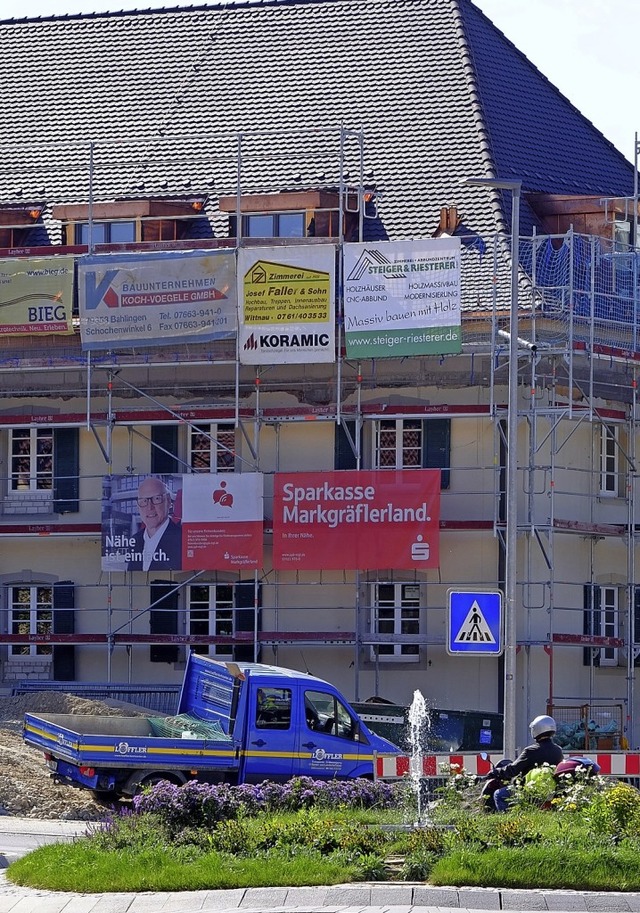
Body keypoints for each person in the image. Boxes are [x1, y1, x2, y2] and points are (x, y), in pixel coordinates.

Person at [490, 714, 564, 812]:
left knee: (499, 795)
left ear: (536, 729)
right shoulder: (558, 750)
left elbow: (513, 770)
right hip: (550, 791)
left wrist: (496, 772)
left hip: (529, 790)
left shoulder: (531, 750)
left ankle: (508, 822)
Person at [127, 476, 182, 571]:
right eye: (144, 501)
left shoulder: (183, 539)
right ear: (138, 506)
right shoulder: (135, 540)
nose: (150, 507)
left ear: (168, 501)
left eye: (156, 499)